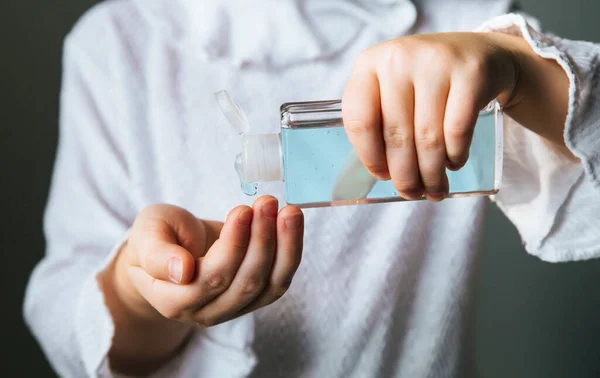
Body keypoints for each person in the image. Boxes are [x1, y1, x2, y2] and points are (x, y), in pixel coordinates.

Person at [24, 0, 600, 377]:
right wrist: (136, 293)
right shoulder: (116, 45)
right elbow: (65, 319)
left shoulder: (465, 18)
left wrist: (519, 69)